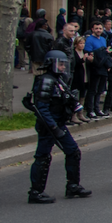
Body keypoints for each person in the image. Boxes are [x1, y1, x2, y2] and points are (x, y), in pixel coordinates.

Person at [25, 50, 90, 203]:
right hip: (49, 126)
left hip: (59, 123)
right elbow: (42, 109)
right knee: (43, 157)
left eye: (63, 64)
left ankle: (73, 185)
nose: (63, 67)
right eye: (60, 64)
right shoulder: (45, 81)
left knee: (73, 151)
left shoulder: (58, 80)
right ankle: (35, 192)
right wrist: (53, 128)